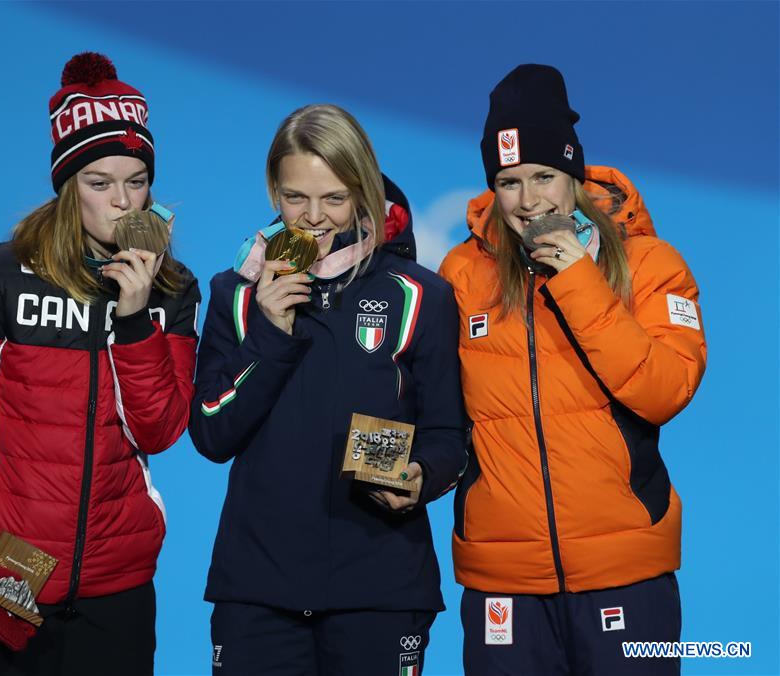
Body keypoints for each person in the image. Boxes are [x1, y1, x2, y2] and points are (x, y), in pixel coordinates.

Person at [0, 52, 199, 675]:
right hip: (5, 572)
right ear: (68, 186)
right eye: (100, 183)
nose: (123, 202)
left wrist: (132, 319)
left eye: (137, 180)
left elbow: (159, 430)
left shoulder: (172, 288)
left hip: (118, 587)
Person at [438, 64, 707, 675]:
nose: (529, 201)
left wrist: (578, 278)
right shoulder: (461, 273)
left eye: (543, 177)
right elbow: (433, 406)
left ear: (574, 176)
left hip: (626, 573)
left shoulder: (650, 263)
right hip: (502, 579)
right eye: (508, 182)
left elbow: (666, 390)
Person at [189, 104, 466, 675]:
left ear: (363, 190)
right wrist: (268, 333)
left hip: (380, 589)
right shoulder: (236, 294)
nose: (314, 218)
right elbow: (213, 433)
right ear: (273, 189)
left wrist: (421, 478)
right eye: (296, 198)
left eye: (335, 198)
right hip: (258, 593)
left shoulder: (419, 296)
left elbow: (448, 434)